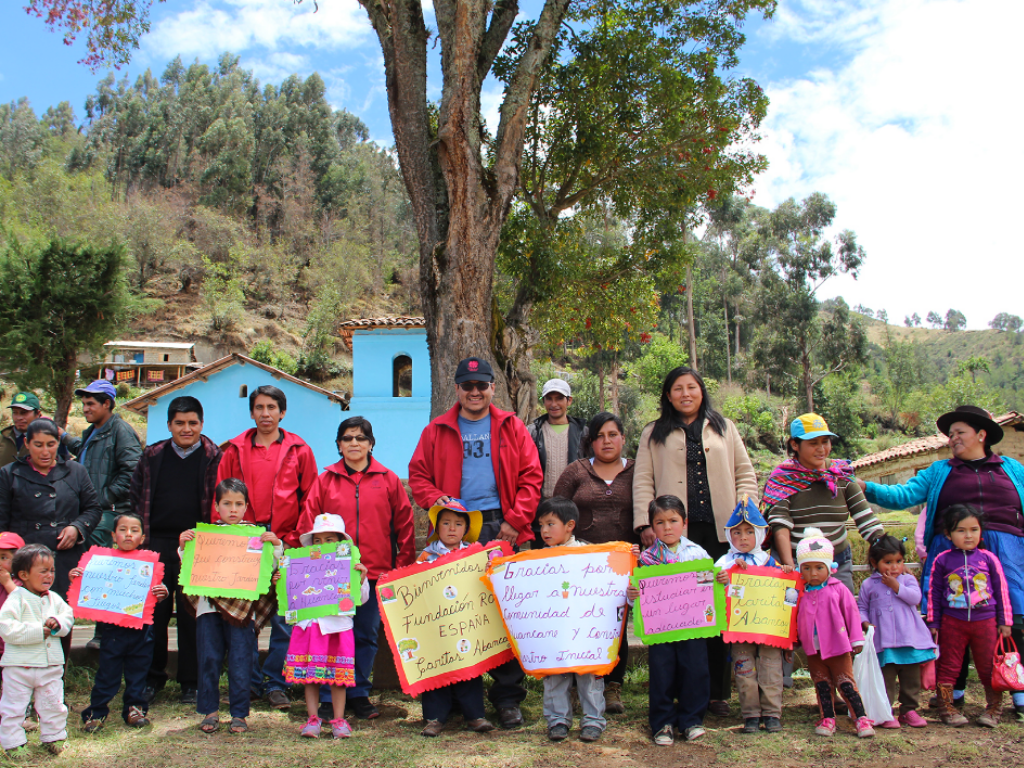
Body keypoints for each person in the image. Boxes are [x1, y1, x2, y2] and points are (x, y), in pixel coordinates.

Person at [858, 405, 1024, 716]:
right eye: (950, 434)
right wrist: (866, 487)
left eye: (959, 432)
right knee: (951, 620)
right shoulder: (939, 471)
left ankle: (1017, 691)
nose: (952, 438)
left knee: (1013, 615)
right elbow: (903, 495)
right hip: (950, 555)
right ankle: (952, 693)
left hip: (1008, 553)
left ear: (981, 435)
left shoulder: (1012, 469)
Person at [409, 356, 543, 729]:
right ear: (456, 389)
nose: (474, 392)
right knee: (454, 613)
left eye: (481, 385)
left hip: (501, 527)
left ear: (492, 388)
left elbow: (532, 476)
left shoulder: (511, 426)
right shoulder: (436, 430)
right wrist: (435, 499)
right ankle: (457, 697)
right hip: (455, 530)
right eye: (467, 386)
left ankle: (507, 698)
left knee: (503, 614)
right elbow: (418, 475)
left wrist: (515, 521)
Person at [632, 366, 757, 716]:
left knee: (715, 612)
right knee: (675, 617)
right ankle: (674, 693)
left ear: (702, 391)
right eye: (678, 388)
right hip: (674, 536)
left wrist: (745, 514)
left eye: (692, 387)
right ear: (667, 395)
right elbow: (643, 479)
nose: (685, 394)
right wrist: (644, 523)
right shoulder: (653, 432)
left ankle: (716, 693)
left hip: (721, 533)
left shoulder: (724, 426)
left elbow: (745, 473)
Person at [299, 416, 416, 720]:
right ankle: (328, 696)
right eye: (348, 438)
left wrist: (400, 567)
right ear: (339, 445)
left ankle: (359, 693)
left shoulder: (388, 479)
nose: (354, 443)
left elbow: (404, 524)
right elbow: (307, 523)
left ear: (371, 443)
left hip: (374, 573)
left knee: (366, 635)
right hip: (330, 576)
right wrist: (311, 568)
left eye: (361, 438)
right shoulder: (325, 480)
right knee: (329, 636)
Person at [217, 384, 317, 711]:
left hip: (286, 541)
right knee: (243, 615)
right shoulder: (234, 451)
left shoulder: (300, 450)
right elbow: (221, 498)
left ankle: (276, 683)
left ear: (282, 412)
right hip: (244, 542)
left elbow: (310, 500)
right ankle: (246, 682)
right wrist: (231, 538)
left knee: (284, 617)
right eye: (259, 407)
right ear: (251, 413)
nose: (265, 413)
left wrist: (293, 540)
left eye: (271, 407)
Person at [131, 395, 222, 706]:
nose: (186, 429)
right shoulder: (152, 455)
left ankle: (191, 682)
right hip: (155, 544)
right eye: (179, 423)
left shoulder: (215, 456)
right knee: (152, 614)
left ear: (202, 424)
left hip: (197, 547)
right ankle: (151, 678)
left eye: (193, 423)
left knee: (192, 615)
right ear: (169, 424)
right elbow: (136, 496)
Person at [181, 479, 281, 735]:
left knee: (241, 660)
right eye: (227, 504)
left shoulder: (255, 536)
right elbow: (189, 565)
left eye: (238, 504)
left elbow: (270, 568)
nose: (233, 509)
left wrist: (276, 545)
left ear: (246, 506)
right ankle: (210, 711)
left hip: (243, 610)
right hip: (208, 608)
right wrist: (183, 546)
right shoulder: (205, 535)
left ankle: (239, 713)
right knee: (208, 658)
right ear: (217, 506)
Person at [552, 411, 635, 714]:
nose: (606, 441)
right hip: (580, 567)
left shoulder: (638, 471)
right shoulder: (576, 471)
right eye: (599, 436)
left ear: (623, 438)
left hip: (621, 567)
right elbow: (556, 511)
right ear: (591, 442)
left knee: (616, 625)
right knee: (580, 623)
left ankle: (612, 686)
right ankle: (579, 685)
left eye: (612, 435)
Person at [62, 380, 142, 653]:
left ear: (107, 403)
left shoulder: (120, 431)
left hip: (109, 513)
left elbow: (133, 470)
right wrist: (63, 437)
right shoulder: (94, 431)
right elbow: (86, 452)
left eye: (90, 404)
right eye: (84, 404)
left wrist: (103, 498)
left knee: (103, 570)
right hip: (91, 511)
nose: (85, 409)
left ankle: (103, 632)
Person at [764, 413, 883, 592]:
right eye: (813, 443)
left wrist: (885, 548)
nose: (821, 449)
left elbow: (865, 518)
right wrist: (790, 568)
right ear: (795, 445)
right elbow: (780, 525)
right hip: (796, 562)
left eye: (825, 442)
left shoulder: (841, 474)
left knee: (840, 607)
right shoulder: (783, 479)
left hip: (837, 563)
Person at [627, 495, 710, 746]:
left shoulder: (697, 553)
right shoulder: (646, 559)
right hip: (661, 628)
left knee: (695, 670)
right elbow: (638, 596)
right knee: (662, 673)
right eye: (660, 522)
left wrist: (719, 581)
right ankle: (662, 722)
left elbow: (708, 586)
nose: (667, 527)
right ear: (652, 526)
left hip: (692, 627)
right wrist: (633, 595)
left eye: (673, 521)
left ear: (684, 522)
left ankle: (691, 720)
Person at [75, 513, 170, 732]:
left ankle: (135, 710)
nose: (128, 534)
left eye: (134, 530)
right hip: (113, 630)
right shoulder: (102, 562)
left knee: (139, 672)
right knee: (107, 673)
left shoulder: (148, 563)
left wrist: (163, 591)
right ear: (113, 535)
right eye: (123, 530)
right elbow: (89, 586)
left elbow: (158, 588)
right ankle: (96, 712)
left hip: (142, 630)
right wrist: (78, 577)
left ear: (142, 537)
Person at [0, 419, 101, 612]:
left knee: (61, 616)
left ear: (58, 443)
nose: (45, 452)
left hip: (64, 560)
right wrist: (6, 559)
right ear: (27, 443)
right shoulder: (9, 474)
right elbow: (1, 522)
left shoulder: (75, 471)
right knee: (24, 616)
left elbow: (93, 509)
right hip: (24, 563)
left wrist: (77, 528)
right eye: (38, 445)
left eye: (51, 444)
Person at [926, 504, 1012, 728]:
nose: (968, 535)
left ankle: (994, 709)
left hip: (986, 622)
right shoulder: (942, 560)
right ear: (948, 534)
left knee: (988, 666)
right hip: (952, 623)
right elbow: (934, 592)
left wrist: (1005, 621)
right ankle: (946, 708)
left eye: (974, 529)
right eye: (961, 530)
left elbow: (1001, 590)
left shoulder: (989, 559)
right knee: (948, 665)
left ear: (981, 531)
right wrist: (934, 621)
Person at [286, 513, 370, 739]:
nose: (323, 545)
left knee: (338, 677)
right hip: (310, 626)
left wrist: (361, 579)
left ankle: (339, 720)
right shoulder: (303, 565)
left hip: (337, 628)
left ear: (341, 542)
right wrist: (283, 581)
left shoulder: (351, 566)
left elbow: (361, 600)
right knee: (310, 676)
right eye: (318, 540)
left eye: (329, 540)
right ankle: (313, 719)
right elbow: (291, 596)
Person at [714, 497, 792, 734]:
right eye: (737, 532)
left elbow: (785, 594)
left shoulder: (770, 562)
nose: (743, 537)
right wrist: (724, 577)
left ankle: (772, 713)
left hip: (768, 630)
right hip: (739, 629)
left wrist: (785, 574)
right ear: (729, 535)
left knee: (771, 668)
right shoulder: (724, 562)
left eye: (750, 532)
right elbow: (711, 591)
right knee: (744, 669)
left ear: (760, 534)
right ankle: (750, 714)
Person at [534, 497, 606, 742]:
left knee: (589, 674)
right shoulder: (535, 561)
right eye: (541, 525)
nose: (544, 531)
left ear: (570, 525)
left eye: (550, 524)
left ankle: (593, 720)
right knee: (555, 674)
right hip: (553, 630)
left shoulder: (590, 554)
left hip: (585, 630)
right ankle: (557, 720)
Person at [795, 528, 874, 739]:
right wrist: (794, 641)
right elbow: (794, 617)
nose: (813, 573)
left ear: (830, 567)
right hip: (814, 649)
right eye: (807, 568)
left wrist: (856, 639)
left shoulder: (838, 589)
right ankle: (827, 718)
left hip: (838, 646)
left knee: (845, 682)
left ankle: (860, 718)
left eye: (819, 567)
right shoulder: (800, 592)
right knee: (822, 684)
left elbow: (851, 613)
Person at [0, 543, 75, 756]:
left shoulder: (54, 599)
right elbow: (6, 628)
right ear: (24, 574)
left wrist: (58, 623)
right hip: (19, 667)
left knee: (53, 704)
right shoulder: (16, 599)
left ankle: (54, 737)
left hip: (50, 666)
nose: (49, 575)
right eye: (43, 571)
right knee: (13, 706)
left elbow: (68, 616)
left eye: (52, 570)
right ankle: (13, 743)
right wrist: (37, 632)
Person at [857, 535, 936, 730]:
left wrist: (897, 586)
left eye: (899, 561)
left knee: (911, 679)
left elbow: (915, 598)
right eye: (888, 562)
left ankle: (909, 710)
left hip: (909, 640)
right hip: (883, 643)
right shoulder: (868, 585)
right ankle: (886, 712)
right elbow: (862, 608)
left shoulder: (907, 579)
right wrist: (865, 623)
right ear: (874, 563)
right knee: (885, 680)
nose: (894, 567)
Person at [527, 379, 588, 544]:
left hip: (573, 510)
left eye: (559, 398)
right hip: (542, 511)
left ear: (569, 400)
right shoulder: (532, 432)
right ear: (543, 401)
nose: (554, 404)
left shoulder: (583, 433)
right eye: (549, 399)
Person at [0, 392, 68, 468]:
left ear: (37, 414)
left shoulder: (51, 439)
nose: (19, 418)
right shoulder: (2, 437)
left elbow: (63, 468)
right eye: (15, 413)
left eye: (24, 413)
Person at [0, 533, 26, 658]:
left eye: (3, 557)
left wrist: (7, 583)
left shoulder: (23, 581)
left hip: (12, 648)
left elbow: (24, 602)